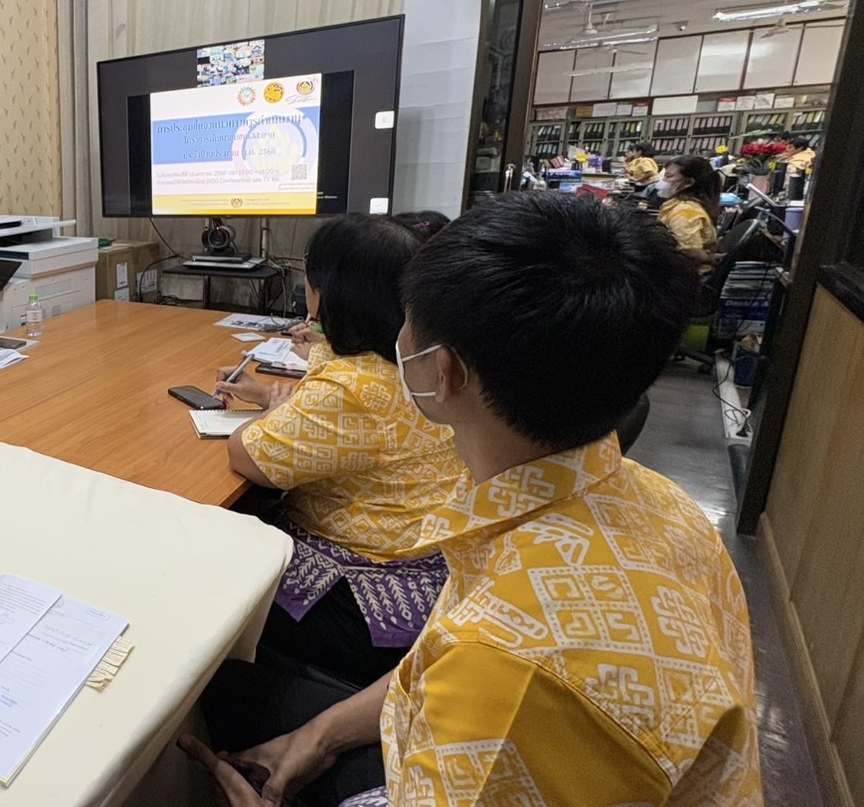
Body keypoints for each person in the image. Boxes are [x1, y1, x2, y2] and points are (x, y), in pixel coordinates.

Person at [185, 194, 760, 807]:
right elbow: (440, 657)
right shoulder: (662, 504)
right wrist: (319, 737)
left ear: (444, 370)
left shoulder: (509, 666)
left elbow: (488, 675)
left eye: (409, 316)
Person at [214, 214, 466, 693]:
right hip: (431, 556)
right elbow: (350, 428)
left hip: (369, 593)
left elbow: (244, 454)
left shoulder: (351, 389)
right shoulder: (415, 363)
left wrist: (270, 416)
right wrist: (271, 397)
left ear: (328, 290)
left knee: (208, 547)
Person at [657, 154, 722, 274]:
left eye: (668, 177)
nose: (662, 181)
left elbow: (691, 253)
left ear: (688, 183)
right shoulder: (681, 203)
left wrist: (708, 258)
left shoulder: (685, 213)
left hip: (683, 276)